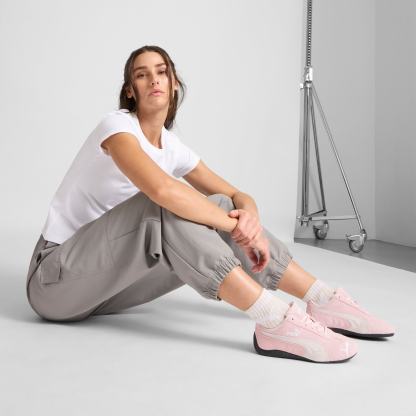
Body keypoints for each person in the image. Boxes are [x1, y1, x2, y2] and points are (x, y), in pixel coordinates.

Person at [26, 45, 395, 364]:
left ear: (173, 83)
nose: (153, 80)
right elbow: (162, 191)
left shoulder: (171, 146)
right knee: (165, 205)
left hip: (110, 289)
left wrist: (248, 220)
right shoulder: (117, 127)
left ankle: (321, 298)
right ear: (130, 91)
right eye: (142, 74)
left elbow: (237, 196)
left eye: (161, 72)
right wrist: (233, 225)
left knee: (218, 203)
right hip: (55, 281)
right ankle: (273, 319)